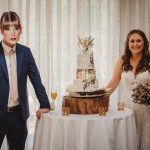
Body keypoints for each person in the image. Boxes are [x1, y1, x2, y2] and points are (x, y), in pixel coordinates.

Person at [0, 11, 50, 150]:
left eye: (16, 28)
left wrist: (44, 104)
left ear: (20, 30)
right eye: (8, 28)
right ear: (1, 30)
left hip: (18, 115)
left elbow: (36, 79)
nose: (12, 33)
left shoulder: (25, 52)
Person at [106, 29, 150, 150]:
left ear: (144, 43)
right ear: (128, 44)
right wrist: (99, 96)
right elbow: (113, 82)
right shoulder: (122, 60)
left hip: (146, 109)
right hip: (126, 106)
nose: (135, 44)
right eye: (132, 41)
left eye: (138, 41)